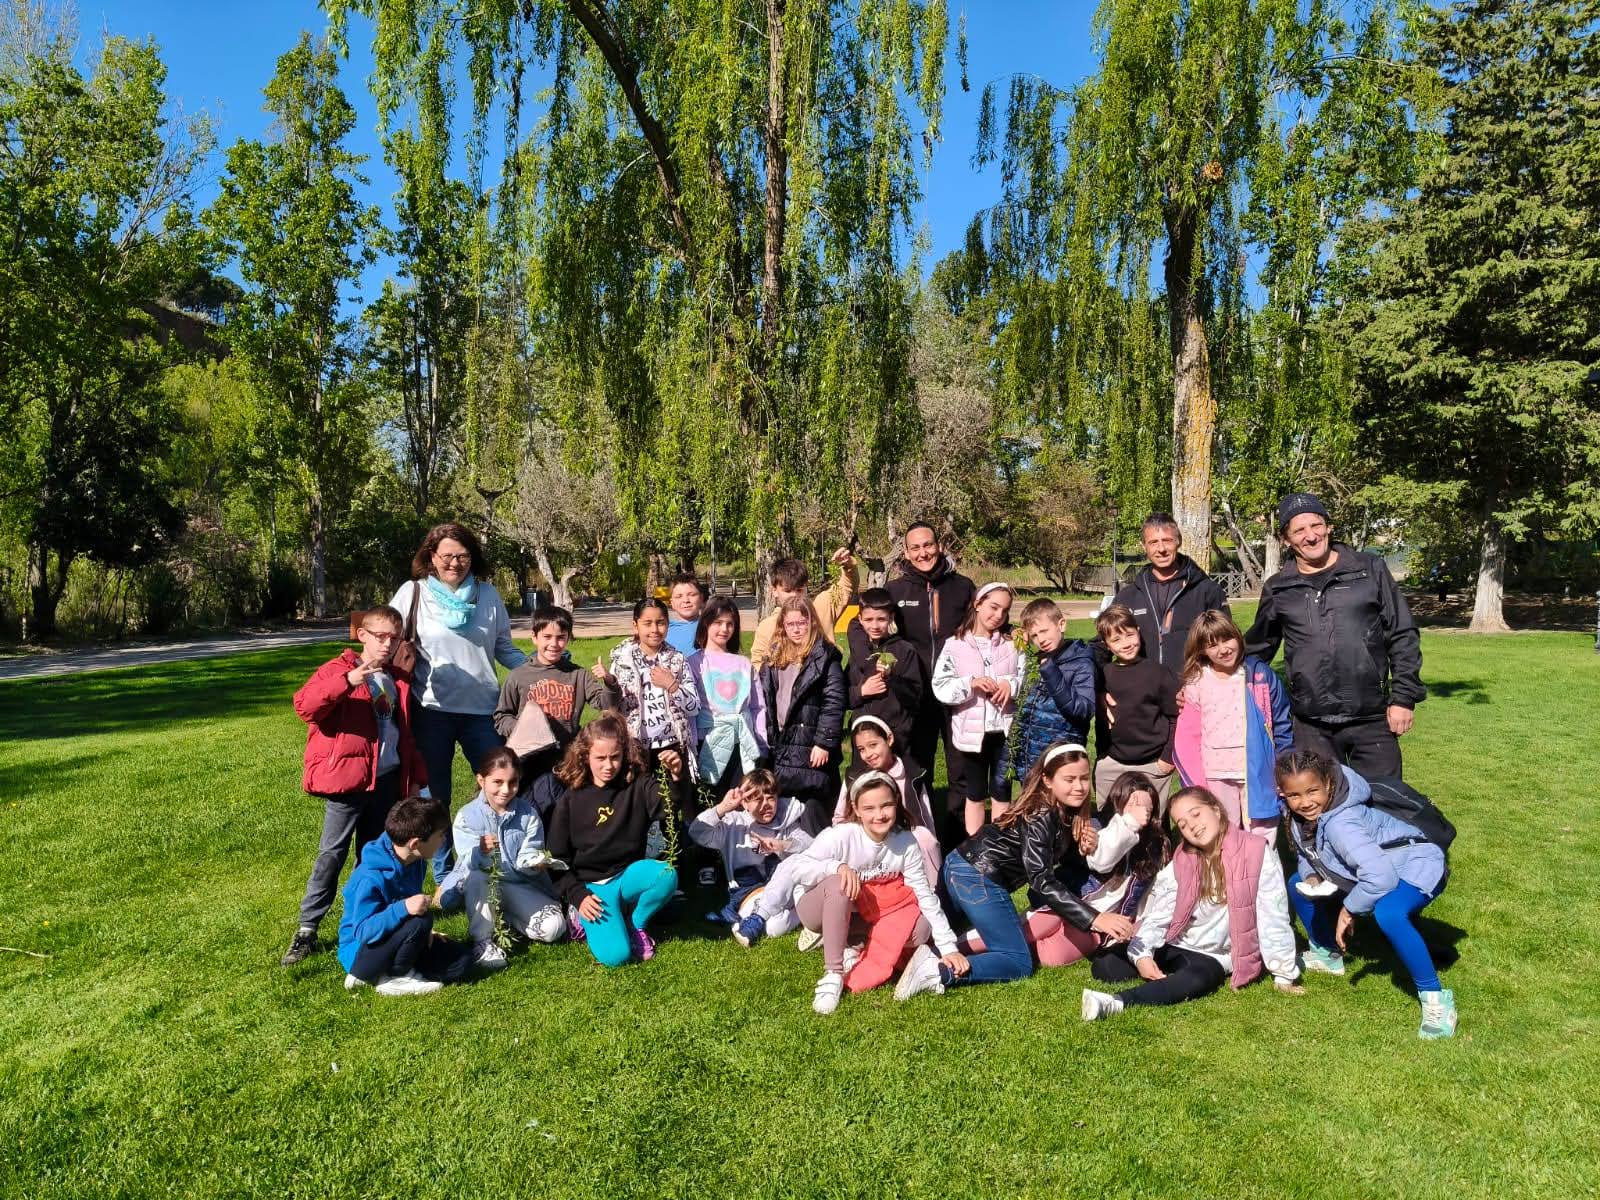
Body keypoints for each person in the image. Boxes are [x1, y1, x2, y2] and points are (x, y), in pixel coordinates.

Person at [894, 744, 1124, 1001]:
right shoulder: (1041, 814)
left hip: (961, 865)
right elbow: (1041, 880)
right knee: (1017, 960)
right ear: (1047, 780)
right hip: (978, 877)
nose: (1079, 787)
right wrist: (1094, 919)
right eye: (1069, 779)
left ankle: (911, 957)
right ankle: (937, 971)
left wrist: (1083, 848)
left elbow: (1050, 856)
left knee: (937, 933)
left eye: (1083, 778)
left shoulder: (1062, 812)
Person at [282, 605, 428, 967]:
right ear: (362, 635)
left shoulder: (396, 679)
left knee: (374, 857)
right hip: (348, 785)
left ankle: (370, 921)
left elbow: (405, 735)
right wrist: (347, 682)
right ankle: (307, 929)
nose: (387, 644)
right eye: (380, 636)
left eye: (393, 638)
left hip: (387, 782)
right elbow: (305, 706)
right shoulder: (338, 670)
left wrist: (415, 779)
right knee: (332, 855)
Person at [1079, 786, 1303, 1021]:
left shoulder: (1256, 851)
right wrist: (1142, 955)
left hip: (1215, 954)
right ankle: (1166, 975)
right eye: (1183, 824)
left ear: (1216, 810)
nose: (1192, 826)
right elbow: (1162, 912)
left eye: (1196, 814)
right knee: (1106, 966)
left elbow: (1273, 915)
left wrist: (1283, 973)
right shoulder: (1183, 859)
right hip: (1177, 941)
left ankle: (1115, 1003)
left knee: (1198, 978)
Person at [1277, 749, 1457, 1039]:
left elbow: (1381, 878)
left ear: (1328, 784)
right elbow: (1305, 852)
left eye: (1312, 791)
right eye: (1294, 795)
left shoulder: (1341, 823)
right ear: (1282, 794)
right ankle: (1327, 954)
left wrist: (1348, 910)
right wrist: (1311, 875)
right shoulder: (1295, 814)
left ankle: (1436, 999)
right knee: (1297, 883)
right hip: (1373, 869)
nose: (1305, 802)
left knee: (1390, 913)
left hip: (1416, 866)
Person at [1246, 493, 1425, 779]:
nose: (1311, 536)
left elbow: (1402, 634)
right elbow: (1257, 648)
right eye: (1299, 530)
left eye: (1316, 525)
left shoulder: (1369, 569)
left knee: (1385, 801)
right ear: (1286, 539)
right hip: (1310, 723)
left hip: (1372, 718)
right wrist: (1204, 680)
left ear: (1328, 526)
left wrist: (1403, 698)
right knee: (1320, 803)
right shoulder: (1279, 588)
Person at [388, 523, 525, 884]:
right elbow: (386, 638)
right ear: (431, 556)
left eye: (462, 556)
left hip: (483, 711)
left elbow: (504, 648)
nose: (454, 563)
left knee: (500, 787)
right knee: (437, 797)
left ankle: (506, 861)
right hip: (431, 711)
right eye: (447, 555)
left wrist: (540, 669)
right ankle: (445, 874)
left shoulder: (488, 595)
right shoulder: (413, 593)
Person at [768, 772, 962, 1015]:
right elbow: (797, 867)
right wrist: (836, 867)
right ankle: (833, 973)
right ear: (856, 809)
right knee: (840, 884)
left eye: (886, 805)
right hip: (817, 906)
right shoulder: (840, 835)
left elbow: (924, 894)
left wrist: (948, 947)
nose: (879, 815)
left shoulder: (906, 842)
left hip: (866, 910)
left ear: (896, 803)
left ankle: (852, 942)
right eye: (869, 808)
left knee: (921, 928)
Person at [955, 768, 1170, 971]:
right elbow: (1103, 860)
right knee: (1027, 932)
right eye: (1132, 803)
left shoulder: (1156, 847)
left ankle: (1008, 951)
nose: (1141, 811)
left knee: (1052, 957)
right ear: (1118, 802)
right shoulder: (1095, 827)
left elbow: (1152, 894)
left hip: (1102, 926)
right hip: (1068, 905)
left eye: (1147, 807)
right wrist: (1129, 822)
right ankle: (954, 947)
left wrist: (1138, 924)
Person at [544, 713, 678, 968]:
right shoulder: (571, 800)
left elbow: (667, 808)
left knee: (666, 875)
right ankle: (579, 916)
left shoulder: (637, 784)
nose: (609, 765)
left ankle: (635, 923)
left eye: (615, 757)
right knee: (616, 956)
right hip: (594, 888)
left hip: (627, 875)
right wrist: (578, 896)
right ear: (585, 756)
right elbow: (556, 860)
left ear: (624, 754)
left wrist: (675, 776)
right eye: (600, 758)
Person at [595, 598, 701, 876]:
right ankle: (633, 868)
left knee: (670, 807)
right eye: (648, 623)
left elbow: (694, 706)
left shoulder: (677, 659)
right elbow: (610, 708)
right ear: (635, 625)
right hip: (634, 749)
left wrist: (671, 685)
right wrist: (609, 682)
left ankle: (674, 867)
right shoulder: (622, 659)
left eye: (661, 622)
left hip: (671, 747)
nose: (655, 629)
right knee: (634, 807)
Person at [1169, 610, 1293, 839]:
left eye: (1227, 639)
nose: (1223, 649)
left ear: (1237, 635)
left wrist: (1284, 766)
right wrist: (1196, 781)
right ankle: (1230, 864)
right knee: (1225, 832)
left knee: (1262, 831)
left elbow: (1281, 723)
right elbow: (1188, 737)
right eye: (1212, 645)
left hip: (1257, 769)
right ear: (1201, 650)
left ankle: (1265, 863)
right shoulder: (1196, 683)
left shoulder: (1259, 675)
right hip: (1216, 774)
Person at [443, 747, 566, 972]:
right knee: (477, 876)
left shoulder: (528, 814)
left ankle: (505, 915)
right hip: (483, 884)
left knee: (554, 928)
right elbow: (467, 862)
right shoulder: (467, 816)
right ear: (481, 780)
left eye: (513, 782)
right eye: (498, 782)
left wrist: (535, 863)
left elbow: (530, 850)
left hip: (518, 883)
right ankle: (483, 940)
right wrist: (480, 851)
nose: (506, 790)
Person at [337, 796, 471, 996]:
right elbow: (363, 932)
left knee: (462, 961)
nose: (444, 840)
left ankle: (402, 969)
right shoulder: (369, 877)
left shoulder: (416, 861)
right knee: (421, 920)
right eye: (440, 835)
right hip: (361, 953)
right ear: (415, 843)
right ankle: (392, 977)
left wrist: (424, 934)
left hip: (396, 938)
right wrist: (403, 908)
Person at [932, 582, 1022, 840]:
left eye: (1005, 610)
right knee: (975, 792)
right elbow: (940, 685)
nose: (998, 615)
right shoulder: (954, 645)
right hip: (972, 735)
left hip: (1004, 731)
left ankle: (1000, 843)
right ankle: (976, 843)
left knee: (1002, 789)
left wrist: (1010, 685)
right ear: (978, 604)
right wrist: (969, 683)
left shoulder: (1013, 643)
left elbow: (1026, 677)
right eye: (993, 607)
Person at [887, 522, 976, 784]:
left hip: (956, 693)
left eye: (928, 545)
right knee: (917, 769)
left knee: (961, 770)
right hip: (916, 694)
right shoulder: (895, 591)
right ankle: (921, 813)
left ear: (940, 546)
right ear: (906, 552)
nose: (923, 553)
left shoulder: (963, 587)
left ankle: (959, 813)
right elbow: (866, 625)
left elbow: (986, 625)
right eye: (915, 548)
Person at [492, 605, 619, 786]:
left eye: (561, 637)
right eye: (547, 637)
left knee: (566, 801)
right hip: (529, 760)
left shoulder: (577, 675)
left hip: (567, 759)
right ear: (534, 637)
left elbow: (606, 704)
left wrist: (609, 682)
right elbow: (501, 715)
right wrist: (521, 729)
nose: (554, 644)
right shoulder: (518, 676)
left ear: (568, 638)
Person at [758, 594, 847, 834]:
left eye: (801, 623)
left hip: (811, 744)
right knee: (783, 811)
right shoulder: (775, 656)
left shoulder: (825, 656)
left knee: (813, 810)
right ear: (782, 626)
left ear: (812, 622)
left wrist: (824, 742)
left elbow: (834, 701)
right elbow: (765, 697)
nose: (796, 630)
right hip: (781, 742)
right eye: (790, 624)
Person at [691, 769, 812, 932]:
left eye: (771, 798)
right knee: (771, 926)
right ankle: (803, 911)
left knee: (775, 924)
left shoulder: (784, 820)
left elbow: (811, 845)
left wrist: (783, 845)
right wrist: (722, 808)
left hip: (782, 889)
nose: (766, 805)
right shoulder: (734, 823)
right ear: (745, 803)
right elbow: (696, 832)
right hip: (748, 893)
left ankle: (805, 910)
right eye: (758, 800)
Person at [1112, 511, 1231, 675]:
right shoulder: (1127, 597)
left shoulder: (1208, 591)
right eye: (1153, 542)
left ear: (1178, 541)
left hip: (1194, 685)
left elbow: (1226, 643)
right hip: (1143, 688)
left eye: (1167, 540)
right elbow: (1103, 642)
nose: (1161, 549)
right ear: (1144, 546)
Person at [832, 715, 941, 882]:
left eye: (873, 745)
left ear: (889, 739)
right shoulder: (854, 778)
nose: (868, 754)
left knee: (925, 838)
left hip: (903, 839)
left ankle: (934, 888)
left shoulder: (912, 776)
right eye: (861, 749)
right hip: (867, 841)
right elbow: (839, 817)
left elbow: (926, 820)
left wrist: (928, 840)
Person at [1092, 603, 1179, 809]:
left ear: (1138, 632)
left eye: (1129, 635)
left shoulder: (1158, 673)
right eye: (1116, 639)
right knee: (1110, 822)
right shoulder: (1103, 675)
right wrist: (1103, 755)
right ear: (1106, 644)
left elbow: (1176, 717)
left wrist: (1167, 758)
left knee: (1152, 822)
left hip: (1153, 765)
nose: (1125, 644)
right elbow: (1101, 719)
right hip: (1112, 763)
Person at [688, 596, 766, 797]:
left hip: (741, 744)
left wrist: (761, 740)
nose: (724, 629)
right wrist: (693, 744)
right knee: (710, 800)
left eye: (730, 624)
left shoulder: (744, 663)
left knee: (741, 798)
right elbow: (690, 708)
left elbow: (757, 706)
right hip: (708, 743)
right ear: (706, 623)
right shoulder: (694, 663)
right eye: (718, 622)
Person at [1011, 598, 1095, 779]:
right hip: (1032, 764)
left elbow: (1083, 710)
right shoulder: (1036, 662)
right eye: (1034, 636)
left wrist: (1051, 672)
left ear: (1061, 625)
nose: (1040, 639)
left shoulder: (1081, 663)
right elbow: (1023, 717)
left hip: (1062, 762)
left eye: (1044, 631)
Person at [843, 587, 926, 755]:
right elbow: (842, 697)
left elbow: (915, 698)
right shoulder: (857, 654)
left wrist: (892, 678)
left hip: (896, 739)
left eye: (881, 619)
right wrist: (861, 691)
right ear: (860, 619)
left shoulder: (905, 651)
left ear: (891, 618)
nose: (874, 625)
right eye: (869, 619)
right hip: (863, 740)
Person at [749, 548, 859, 671]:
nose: (794, 595)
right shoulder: (766, 627)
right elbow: (758, 666)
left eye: (799, 590)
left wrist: (848, 565)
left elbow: (847, 586)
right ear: (774, 591)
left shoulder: (821, 606)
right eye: (787, 591)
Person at [665, 572, 707, 657]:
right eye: (679, 596)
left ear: (701, 598)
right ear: (672, 603)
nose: (686, 600)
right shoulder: (663, 630)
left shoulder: (710, 625)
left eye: (692, 595)